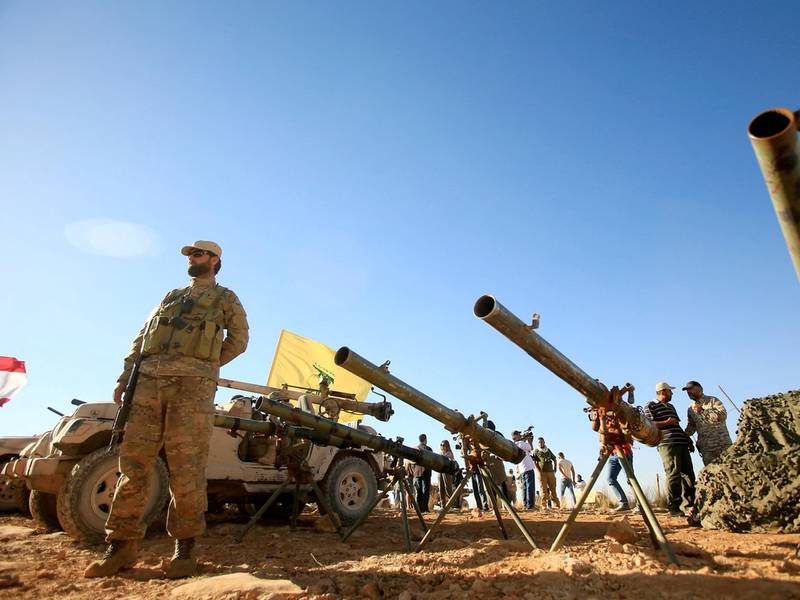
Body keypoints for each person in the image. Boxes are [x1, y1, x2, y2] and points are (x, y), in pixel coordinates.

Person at [85, 240, 249, 579]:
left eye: (198, 254)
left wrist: (204, 366)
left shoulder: (226, 298)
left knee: (186, 468)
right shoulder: (171, 296)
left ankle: (184, 549)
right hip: (148, 384)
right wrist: (125, 376)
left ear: (214, 260)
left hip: (192, 390)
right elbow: (142, 337)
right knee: (133, 465)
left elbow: (239, 341)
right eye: (190, 255)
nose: (191, 259)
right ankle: (120, 545)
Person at [644, 382, 697, 518]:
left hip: (681, 442)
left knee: (688, 475)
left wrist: (688, 440)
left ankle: (691, 506)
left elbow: (677, 425)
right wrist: (666, 422)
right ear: (663, 392)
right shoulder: (650, 405)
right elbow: (648, 424)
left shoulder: (671, 407)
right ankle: (674, 507)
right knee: (673, 474)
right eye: (670, 391)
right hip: (667, 443)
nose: (672, 394)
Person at [590, 406, 634, 512]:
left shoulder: (617, 413)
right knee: (611, 479)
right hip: (612, 452)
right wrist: (597, 417)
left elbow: (622, 430)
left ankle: (640, 505)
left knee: (630, 479)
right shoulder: (603, 418)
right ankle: (623, 503)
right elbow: (597, 430)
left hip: (623, 450)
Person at [682, 381, 732, 466]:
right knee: (713, 472)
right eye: (687, 391)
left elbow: (722, 416)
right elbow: (692, 427)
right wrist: (684, 435)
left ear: (700, 389)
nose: (689, 392)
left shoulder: (712, 400)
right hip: (706, 449)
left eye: (691, 389)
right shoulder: (691, 409)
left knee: (730, 468)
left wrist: (703, 411)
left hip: (722, 444)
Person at [512, 430, 536, 510]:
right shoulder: (520, 443)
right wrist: (529, 440)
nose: (520, 435)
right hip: (528, 467)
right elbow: (530, 448)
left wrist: (525, 439)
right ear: (515, 436)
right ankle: (530, 506)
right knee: (530, 487)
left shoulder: (515, 444)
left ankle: (526, 505)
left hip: (522, 469)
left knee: (525, 487)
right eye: (519, 434)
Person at [532, 437, 560, 508]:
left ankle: (557, 505)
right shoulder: (536, 451)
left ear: (544, 442)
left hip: (550, 472)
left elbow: (554, 458)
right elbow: (534, 461)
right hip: (542, 472)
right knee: (543, 489)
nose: (540, 443)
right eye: (539, 442)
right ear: (537, 443)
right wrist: (538, 471)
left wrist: (555, 468)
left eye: (542, 442)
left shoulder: (548, 450)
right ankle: (544, 505)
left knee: (553, 488)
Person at [413, 434, 433, 512]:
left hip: (417, 472)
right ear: (425, 439)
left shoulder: (415, 448)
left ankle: (419, 508)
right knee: (425, 491)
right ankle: (425, 508)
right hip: (426, 472)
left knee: (418, 491)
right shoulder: (428, 449)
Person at [437, 440, 456, 509]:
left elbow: (449, 462)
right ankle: (443, 506)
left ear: (447, 446)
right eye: (441, 445)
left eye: (443, 445)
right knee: (441, 489)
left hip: (447, 472)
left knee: (448, 488)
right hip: (440, 471)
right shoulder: (440, 453)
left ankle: (452, 505)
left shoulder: (449, 453)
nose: (442, 446)